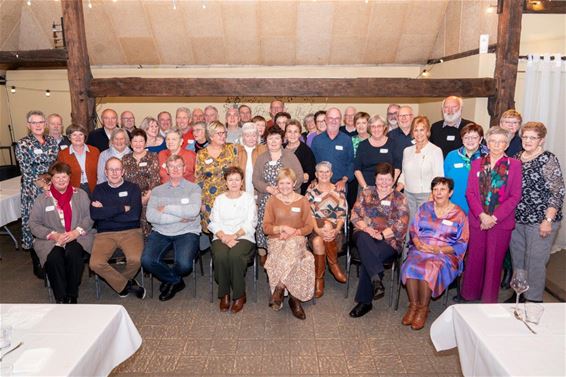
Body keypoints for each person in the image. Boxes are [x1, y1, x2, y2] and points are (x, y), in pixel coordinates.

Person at [460, 126, 522, 303]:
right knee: (475, 258)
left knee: (494, 262)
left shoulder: (515, 165)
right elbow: (470, 193)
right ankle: (470, 294)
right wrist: (481, 215)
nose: (496, 145)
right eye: (493, 141)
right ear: (486, 142)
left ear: (507, 144)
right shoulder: (476, 163)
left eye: (501, 141)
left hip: (500, 222)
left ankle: (488, 298)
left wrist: (494, 218)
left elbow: (515, 195)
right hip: (478, 219)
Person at [400, 177, 469, 330]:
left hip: (444, 254)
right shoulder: (424, 208)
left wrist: (439, 250)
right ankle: (413, 306)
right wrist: (417, 243)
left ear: (450, 192)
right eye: (435, 189)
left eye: (443, 189)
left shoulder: (459, 214)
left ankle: (423, 309)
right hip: (421, 248)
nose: (438, 193)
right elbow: (413, 229)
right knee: (410, 265)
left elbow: (462, 242)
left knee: (428, 268)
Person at [508, 122, 564, 303]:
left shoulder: (547, 159)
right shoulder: (516, 157)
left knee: (535, 263)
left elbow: (558, 191)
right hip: (517, 219)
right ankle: (520, 293)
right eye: (525, 137)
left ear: (541, 140)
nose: (528, 140)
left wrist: (548, 219)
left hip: (540, 221)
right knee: (518, 260)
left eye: (533, 137)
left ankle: (533, 301)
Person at [348, 163, 409, 318]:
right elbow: (354, 214)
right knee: (362, 239)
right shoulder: (366, 192)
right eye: (381, 179)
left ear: (393, 180)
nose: (384, 183)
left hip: (388, 240)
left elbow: (401, 224)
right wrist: (367, 229)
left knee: (371, 256)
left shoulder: (400, 198)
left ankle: (365, 302)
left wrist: (382, 235)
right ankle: (376, 279)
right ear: (375, 179)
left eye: (387, 180)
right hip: (364, 234)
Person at [29, 162, 95, 303]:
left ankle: (72, 295)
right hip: (51, 240)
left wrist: (76, 232)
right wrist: (54, 235)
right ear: (51, 179)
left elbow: (89, 217)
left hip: (78, 236)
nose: (61, 180)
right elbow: (34, 224)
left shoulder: (81, 194)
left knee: (74, 255)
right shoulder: (42, 199)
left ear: (69, 177)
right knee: (54, 259)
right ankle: (61, 297)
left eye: (64, 177)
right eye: (57, 177)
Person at [141, 155, 202, 301]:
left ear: (184, 169)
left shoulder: (194, 188)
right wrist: (180, 217)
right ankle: (175, 281)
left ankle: (169, 279)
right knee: (147, 261)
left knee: (185, 265)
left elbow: (193, 211)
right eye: (171, 166)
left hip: (187, 231)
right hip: (161, 231)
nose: (175, 169)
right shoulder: (157, 190)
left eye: (178, 166)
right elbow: (151, 216)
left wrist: (166, 208)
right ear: (166, 169)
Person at [89, 157, 146, 299]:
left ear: (123, 171)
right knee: (95, 263)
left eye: (118, 169)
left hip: (130, 231)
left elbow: (133, 216)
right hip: (105, 234)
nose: (114, 173)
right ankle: (127, 285)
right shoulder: (99, 189)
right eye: (111, 169)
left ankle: (120, 283)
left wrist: (106, 212)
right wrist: (122, 208)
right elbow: (95, 214)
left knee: (136, 259)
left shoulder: (133, 188)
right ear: (105, 172)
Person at [264, 168, 314, 320]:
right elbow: (266, 227)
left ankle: (279, 288)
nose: (285, 186)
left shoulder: (302, 200)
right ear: (277, 185)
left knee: (292, 246)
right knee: (288, 256)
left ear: (294, 183)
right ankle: (294, 299)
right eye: (281, 183)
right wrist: (282, 229)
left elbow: (309, 227)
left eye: (288, 183)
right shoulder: (272, 200)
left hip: (297, 239)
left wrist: (295, 232)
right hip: (276, 239)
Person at [15, 110, 59, 279]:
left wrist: (53, 184)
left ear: (45, 124)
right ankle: (37, 262)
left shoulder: (52, 142)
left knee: (51, 222)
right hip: (33, 191)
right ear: (28, 125)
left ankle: (51, 257)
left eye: (41, 122)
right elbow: (27, 172)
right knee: (35, 223)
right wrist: (45, 187)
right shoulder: (23, 144)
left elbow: (54, 166)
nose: (38, 125)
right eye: (34, 123)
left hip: (52, 187)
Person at [208, 166, 257, 313]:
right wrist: (224, 237)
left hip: (243, 236)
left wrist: (234, 236)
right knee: (221, 256)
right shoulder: (219, 199)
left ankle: (239, 294)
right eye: (230, 180)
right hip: (221, 236)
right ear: (226, 182)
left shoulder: (248, 199)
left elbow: (251, 222)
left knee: (235, 256)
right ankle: (225, 294)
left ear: (242, 182)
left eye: (237, 179)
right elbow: (213, 222)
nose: (234, 183)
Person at [253, 126, 304, 266]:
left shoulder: (290, 156)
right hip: (267, 198)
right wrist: (268, 188)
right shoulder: (261, 158)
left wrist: (285, 190)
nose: (274, 141)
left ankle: (284, 252)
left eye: (277, 138)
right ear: (266, 141)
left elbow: (299, 176)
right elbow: (255, 179)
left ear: (282, 140)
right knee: (265, 224)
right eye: (270, 138)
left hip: (288, 200)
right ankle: (264, 252)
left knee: (285, 226)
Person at [305, 161, 347, 298]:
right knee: (318, 239)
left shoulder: (338, 191)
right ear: (316, 174)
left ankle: (319, 279)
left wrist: (336, 230)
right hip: (315, 228)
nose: (324, 174)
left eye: (327, 171)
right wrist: (317, 229)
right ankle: (333, 265)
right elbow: (308, 214)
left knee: (324, 232)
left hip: (335, 230)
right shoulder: (310, 192)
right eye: (321, 172)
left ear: (331, 174)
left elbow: (342, 214)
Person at [397, 116, 444, 220]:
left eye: (422, 130)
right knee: (408, 227)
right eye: (415, 130)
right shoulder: (407, 151)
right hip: (408, 196)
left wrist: (432, 197)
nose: (419, 133)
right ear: (412, 132)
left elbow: (439, 178)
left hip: (426, 196)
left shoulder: (435, 151)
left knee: (422, 228)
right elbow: (404, 175)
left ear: (427, 131)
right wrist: (396, 191)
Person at [195, 121, 238, 232]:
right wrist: (201, 202)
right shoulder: (201, 154)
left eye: (224, 133)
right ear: (211, 136)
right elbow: (198, 179)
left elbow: (239, 174)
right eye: (219, 133)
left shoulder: (232, 149)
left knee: (229, 230)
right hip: (209, 199)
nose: (223, 136)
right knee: (213, 231)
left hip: (229, 197)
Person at [122, 129, 161, 237]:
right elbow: (122, 181)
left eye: (141, 141)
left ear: (145, 142)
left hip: (149, 198)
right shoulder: (125, 159)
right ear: (130, 143)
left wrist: (145, 198)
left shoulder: (152, 156)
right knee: (132, 232)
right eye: (135, 141)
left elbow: (155, 179)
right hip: (130, 199)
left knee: (148, 231)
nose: (138, 144)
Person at [443, 123, 488, 214]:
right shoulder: (452, 156)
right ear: (462, 139)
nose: (470, 140)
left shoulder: (488, 157)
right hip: (454, 206)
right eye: (466, 137)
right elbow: (444, 181)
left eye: (474, 137)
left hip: (480, 209)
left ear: (481, 139)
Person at [311, 107, 354, 193]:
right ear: (326, 120)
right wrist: (314, 179)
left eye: (337, 118)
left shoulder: (346, 140)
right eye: (331, 118)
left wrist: (344, 180)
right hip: (321, 184)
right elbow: (312, 162)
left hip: (339, 185)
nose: (334, 121)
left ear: (340, 120)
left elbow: (351, 162)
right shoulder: (317, 140)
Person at [354, 114, 401, 190]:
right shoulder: (363, 145)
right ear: (369, 128)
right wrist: (365, 187)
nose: (376, 129)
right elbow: (357, 169)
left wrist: (390, 185)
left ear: (384, 127)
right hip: (366, 186)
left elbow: (397, 167)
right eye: (373, 126)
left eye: (379, 126)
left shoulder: (393, 144)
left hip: (387, 187)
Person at [57, 124, 100, 195]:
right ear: (69, 137)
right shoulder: (63, 154)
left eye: (81, 134)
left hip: (94, 188)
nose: (78, 137)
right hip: (73, 189)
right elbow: (61, 175)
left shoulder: (95, 151)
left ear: (84, 136)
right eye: (74, 135)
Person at [285, 119, 316, 194]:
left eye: (295, 132)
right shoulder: (281, 148)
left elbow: (311, 172)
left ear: (299, 134)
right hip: (282, 189)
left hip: (299, 191)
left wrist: (305, 176)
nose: (292, 135)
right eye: (289, 131)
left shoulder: (306, 151)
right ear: (285, 134)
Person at [236, 122, 267, 195]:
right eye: (247, 136)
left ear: (257, 136)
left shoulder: (264, 149)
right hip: (241, 190)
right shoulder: (236, 150)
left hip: (259, 191)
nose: (251, 139)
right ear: (242, 137)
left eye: (254, 135)